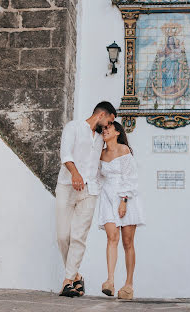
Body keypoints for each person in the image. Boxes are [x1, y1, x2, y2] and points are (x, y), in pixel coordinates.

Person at [56, 101, 117, 297]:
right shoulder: (73, 127)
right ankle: (76, 277)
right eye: (109, 121)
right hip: (67, 186)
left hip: (90, 192)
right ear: (101, 115)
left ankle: (67, 281)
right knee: (63, 236)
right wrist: (75, 173)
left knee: (78, 237)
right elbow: (65, 154)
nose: (108, 126)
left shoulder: (101, 139)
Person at [97, 121, 145, 300]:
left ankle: (128, 285)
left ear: (117, 132)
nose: (104, 130)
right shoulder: (100, 154)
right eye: (103, 128)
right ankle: (109, 280)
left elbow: (131, 177)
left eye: (108, 128)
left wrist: (124, 200)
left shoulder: (124, 150)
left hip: (126, 197)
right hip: (107, 197)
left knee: (127, 242)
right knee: (112, 237)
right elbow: (98, 177)